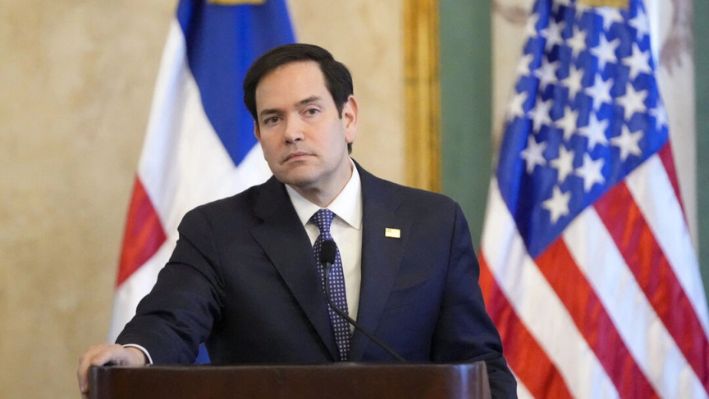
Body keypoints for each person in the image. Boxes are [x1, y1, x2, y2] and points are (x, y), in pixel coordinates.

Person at [78, 43, 517, 397]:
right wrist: (134, 353)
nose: (291, 131)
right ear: (259, 137)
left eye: (310, 111)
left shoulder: (433, 222)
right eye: (273, 118)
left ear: (348, 118)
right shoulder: (217, 230)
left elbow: (475, 358)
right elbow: (172, 320)